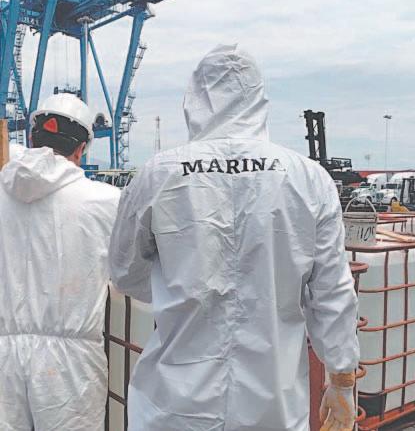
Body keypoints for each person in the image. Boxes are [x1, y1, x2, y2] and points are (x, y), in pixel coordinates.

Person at [109, 44, 359, 431]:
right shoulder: (308, 179)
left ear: (194, 99)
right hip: (273, 406)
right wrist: (341, 379)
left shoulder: (158, 175)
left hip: (175, 403)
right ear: (259, 99)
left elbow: (126, 273)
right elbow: (332, 294)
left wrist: (176, 287)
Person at [0, 93, 120, 431]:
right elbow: (132, 272)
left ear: (32, 139)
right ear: (81, 149)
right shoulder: (107, 201)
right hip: (70, 366)